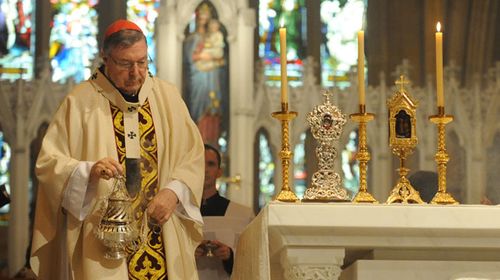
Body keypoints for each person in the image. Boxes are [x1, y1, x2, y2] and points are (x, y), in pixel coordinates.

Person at [30, 19, 205, 280]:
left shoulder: (167, 97)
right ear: (106, 58)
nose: (136, 72)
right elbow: (49, 164)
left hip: (162, 237)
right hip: (100, 244)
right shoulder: (79, 102)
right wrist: (87, 171)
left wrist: (174, 192)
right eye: (125, 64)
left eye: (143, 62)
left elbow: (193, 155)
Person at [195, 144, 254, 279]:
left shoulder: (243, 215)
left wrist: (229, 256)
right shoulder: (179, 214)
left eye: (210, 164)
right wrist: (188, 255)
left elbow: (253, 258)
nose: (205, 169)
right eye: (199, 163)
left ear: (219, 172)